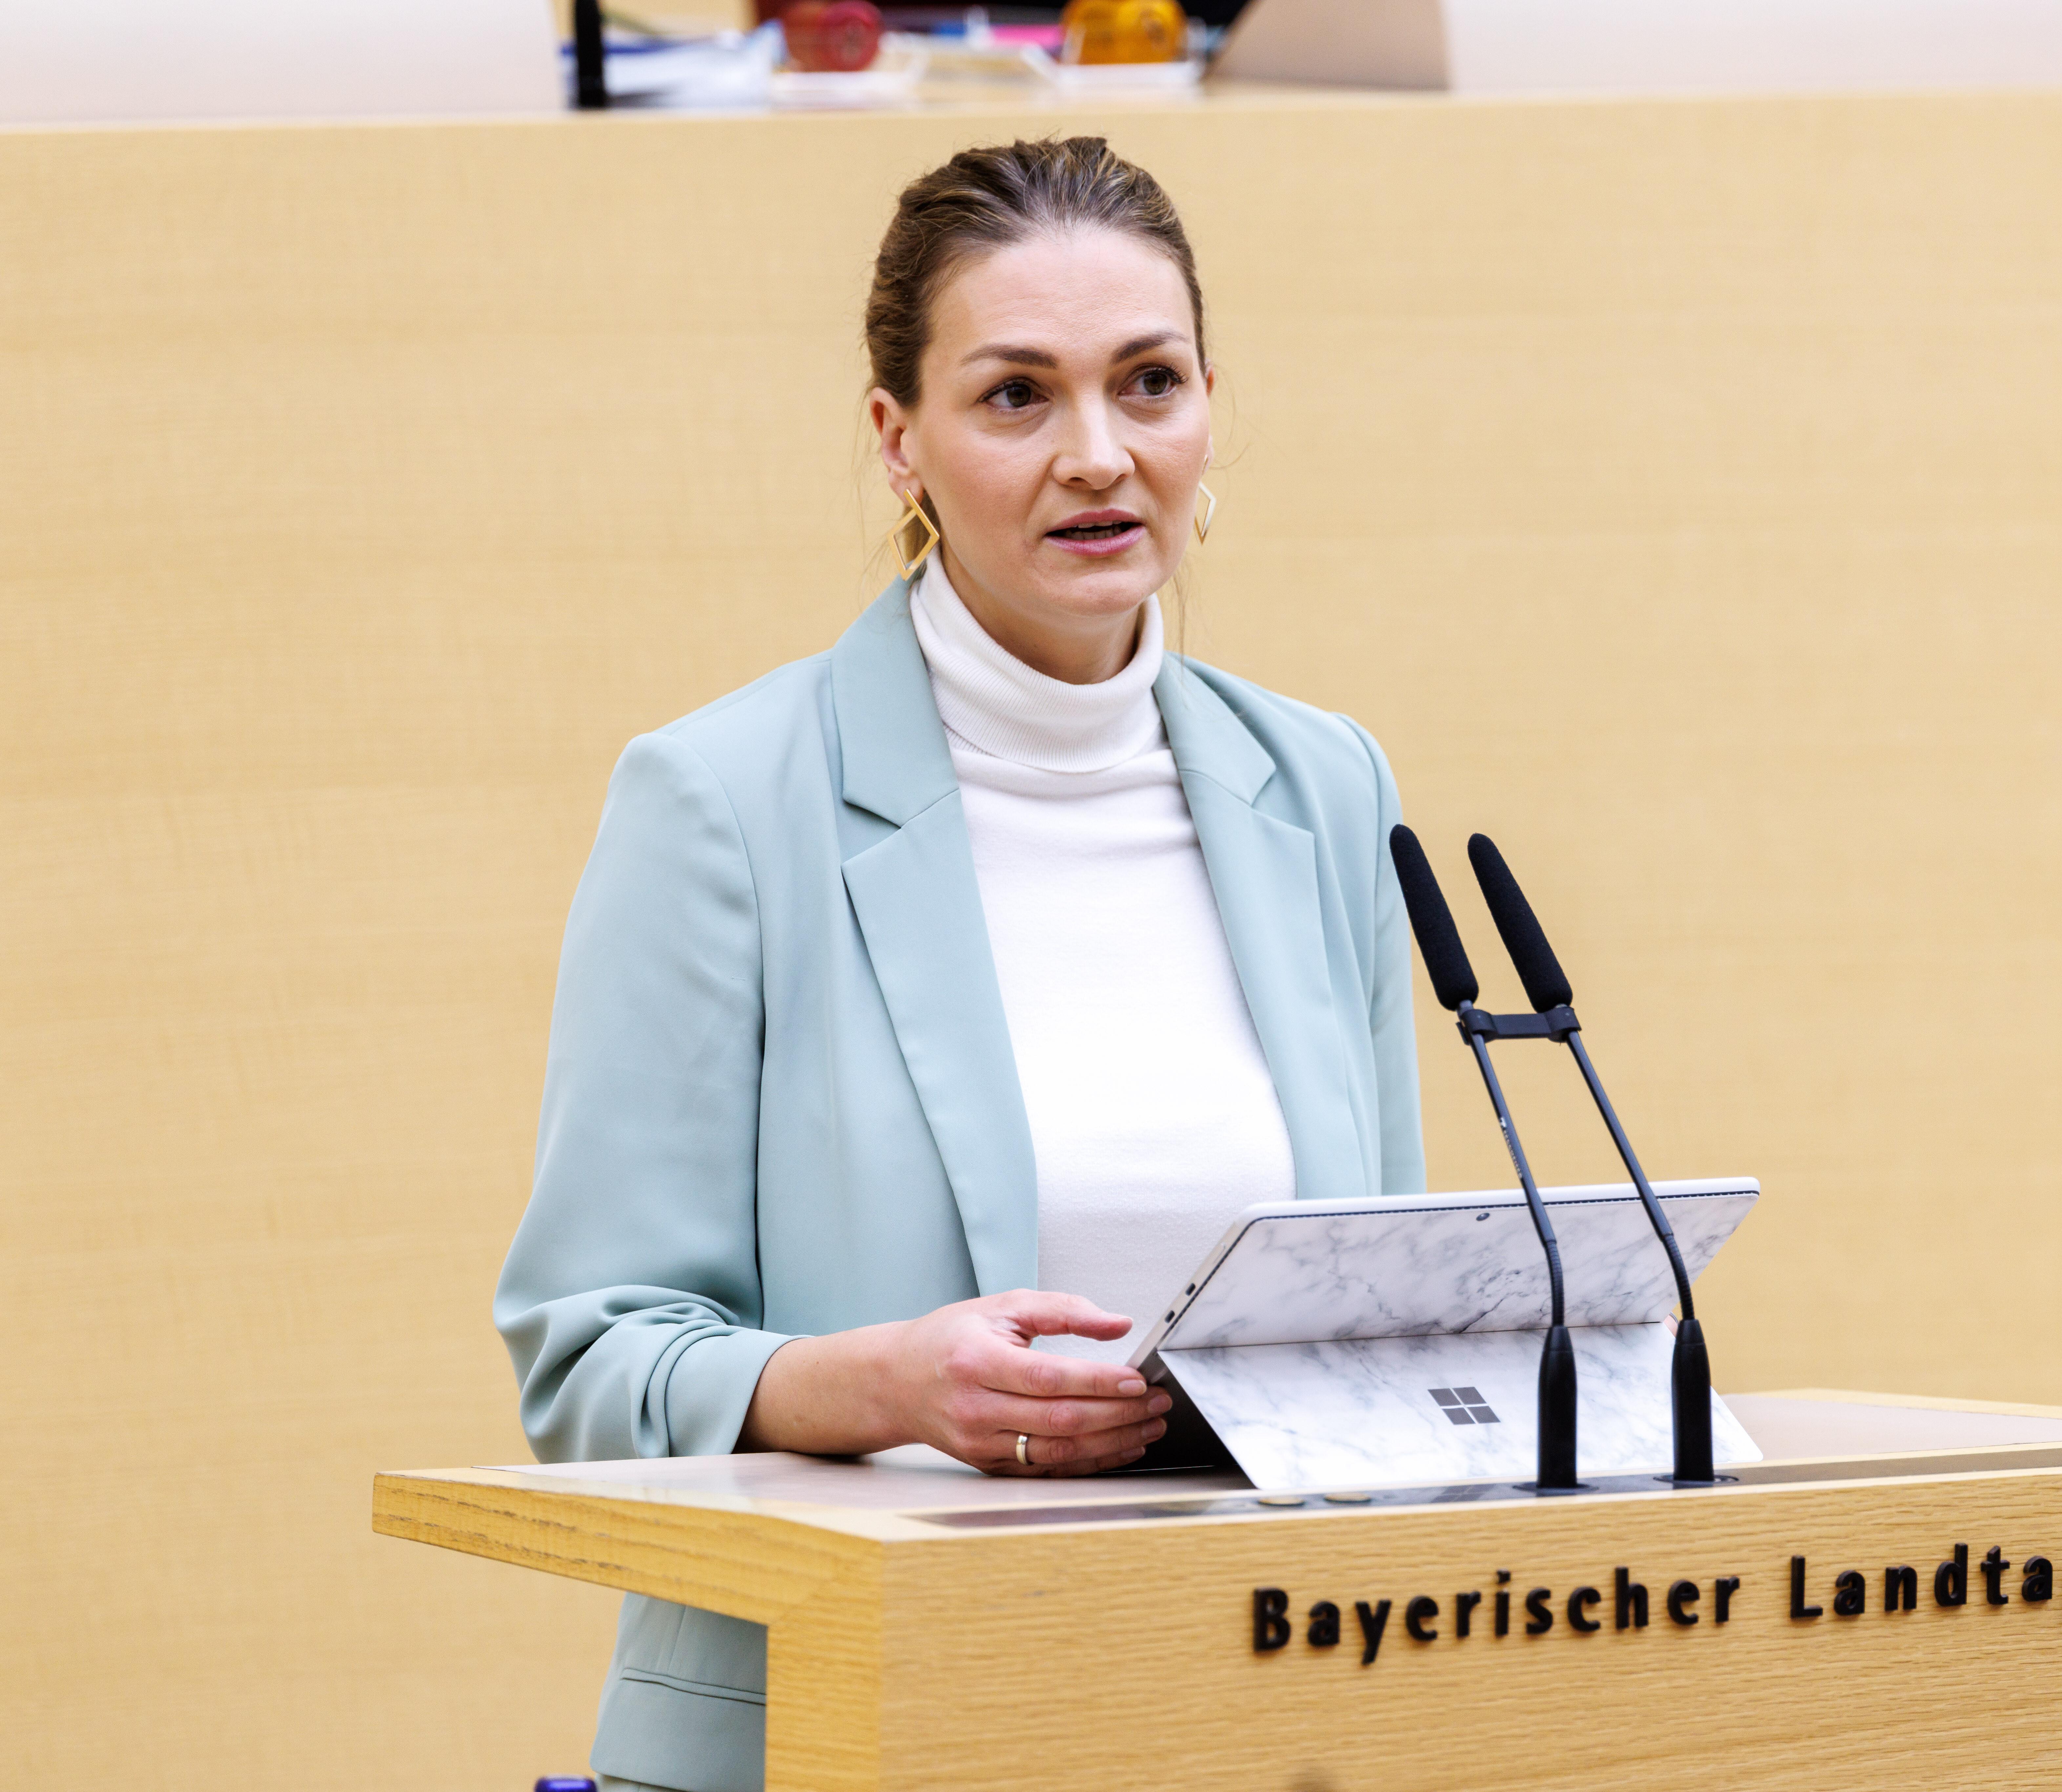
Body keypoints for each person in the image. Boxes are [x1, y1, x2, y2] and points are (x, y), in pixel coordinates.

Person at [494, 137, 1422, 1792]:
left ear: (1214, 403)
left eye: (1149, 383)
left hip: (1248, 1724)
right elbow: (588, 1359)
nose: (1099, 456)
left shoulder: (1324, 786)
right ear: (896, 439)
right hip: (859, 1722)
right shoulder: (721, 801)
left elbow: (1382, 1315)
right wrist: (885, 1380)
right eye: (1015, 396)